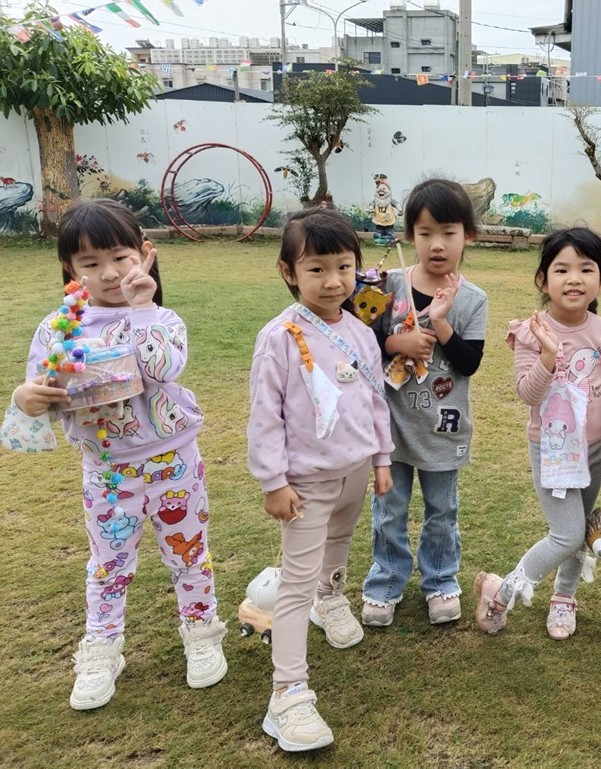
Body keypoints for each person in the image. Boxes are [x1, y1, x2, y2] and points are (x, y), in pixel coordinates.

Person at [6, 198, 227, 710]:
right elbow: (42, 389)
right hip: (107, 471)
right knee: (108, 564)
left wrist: (143, 307)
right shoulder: (59, 328)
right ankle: (102, 647)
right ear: (70, 269)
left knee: (189, 554)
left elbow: (163, 369)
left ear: (144, 254)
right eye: (90, 262)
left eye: (120, 258)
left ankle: (201, 631)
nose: (108, 273)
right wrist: (25, 396)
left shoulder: (162, 318)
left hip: (173, 462)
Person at [248, 207, 393, 752]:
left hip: (355, 470)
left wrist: (381, 459)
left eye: (344, 267)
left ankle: (329, 599)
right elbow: (265, 416)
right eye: (317, 269)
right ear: (289, 272)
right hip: (305, 482)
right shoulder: (278, 338)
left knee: (340, 543)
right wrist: (273, 481)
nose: (333, 281)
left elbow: (376, 401)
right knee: (295, 580)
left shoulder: (361, 332)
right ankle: (286, 694)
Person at [474, 227, 601, 640]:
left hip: (594, 447)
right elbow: (527, 393)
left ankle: (564, 597)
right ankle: (501, 591)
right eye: (561, 269)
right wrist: (548, 355)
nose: (574, 279)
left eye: (586, 269)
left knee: (580, 529)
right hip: (553, 449)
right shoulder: (531, 331)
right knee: (566, 534)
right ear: (543, 280)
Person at [360, 178, 488, 627]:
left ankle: (440, 581)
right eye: (425, 233)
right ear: (409, 235)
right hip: (390, 427)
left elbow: (469, 363)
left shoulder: (473, 300)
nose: (437, 244)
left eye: (448, 233)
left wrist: (440, 323)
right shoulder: (386, 285)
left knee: (442, 512)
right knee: (389, 510)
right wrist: (399, 342)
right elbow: (362, 344)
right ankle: (385, 582)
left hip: (442, 428)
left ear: (468, 235)